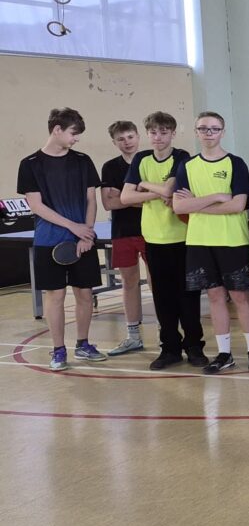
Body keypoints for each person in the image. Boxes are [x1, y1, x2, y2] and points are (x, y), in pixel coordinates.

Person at [172, 111, 249, 373]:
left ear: (222, 132)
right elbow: (179, 206)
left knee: (240, 296)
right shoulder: (187, 166)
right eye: (203, 128)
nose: (209, 133)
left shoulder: (236, 163)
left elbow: (238, 205)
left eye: (214, 128)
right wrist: (216, 196)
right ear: (196, 132)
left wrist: (197, 204)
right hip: (199, 241)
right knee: (214, 296)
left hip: (231, 240)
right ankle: (224, 354)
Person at [16, 107, 106, 370]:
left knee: (85, 294)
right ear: (57, 130)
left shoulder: (83, 161)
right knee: (55, 295)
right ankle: (58, 350)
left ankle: (83, 345)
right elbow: (36, 205)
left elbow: (91, 199)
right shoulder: (30, 164)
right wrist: (73, 227)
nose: (76, 139)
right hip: (49, 240)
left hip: (83, 240)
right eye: (73, 133)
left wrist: (87, 232)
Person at [121, 112, 207, 369]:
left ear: (172, 134)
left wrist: (143, 184)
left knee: (188, 296)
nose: (157, 137)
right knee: (162, 297)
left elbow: (170, 190)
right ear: (147, 134)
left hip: (182, 238)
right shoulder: (141, 159)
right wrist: (156, 192)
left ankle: (194, 346)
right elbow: (126, 198)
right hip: (153, 238)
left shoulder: (181, 157)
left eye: (163, 132)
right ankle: (169, 348)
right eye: (153, 132)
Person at [100, 120, 149, 356]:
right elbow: (108, 203)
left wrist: (125, 196)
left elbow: (162, 198)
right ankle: (133, 336)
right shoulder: (110, 167)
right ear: (114, 142)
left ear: (138, 137)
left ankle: (167, 334)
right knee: (129, 283)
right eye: (121, 139)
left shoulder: (149, 161)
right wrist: (141, 196)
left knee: (158, 281)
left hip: (152, 230)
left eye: (130, 137)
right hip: (122, 232)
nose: (127, 142)